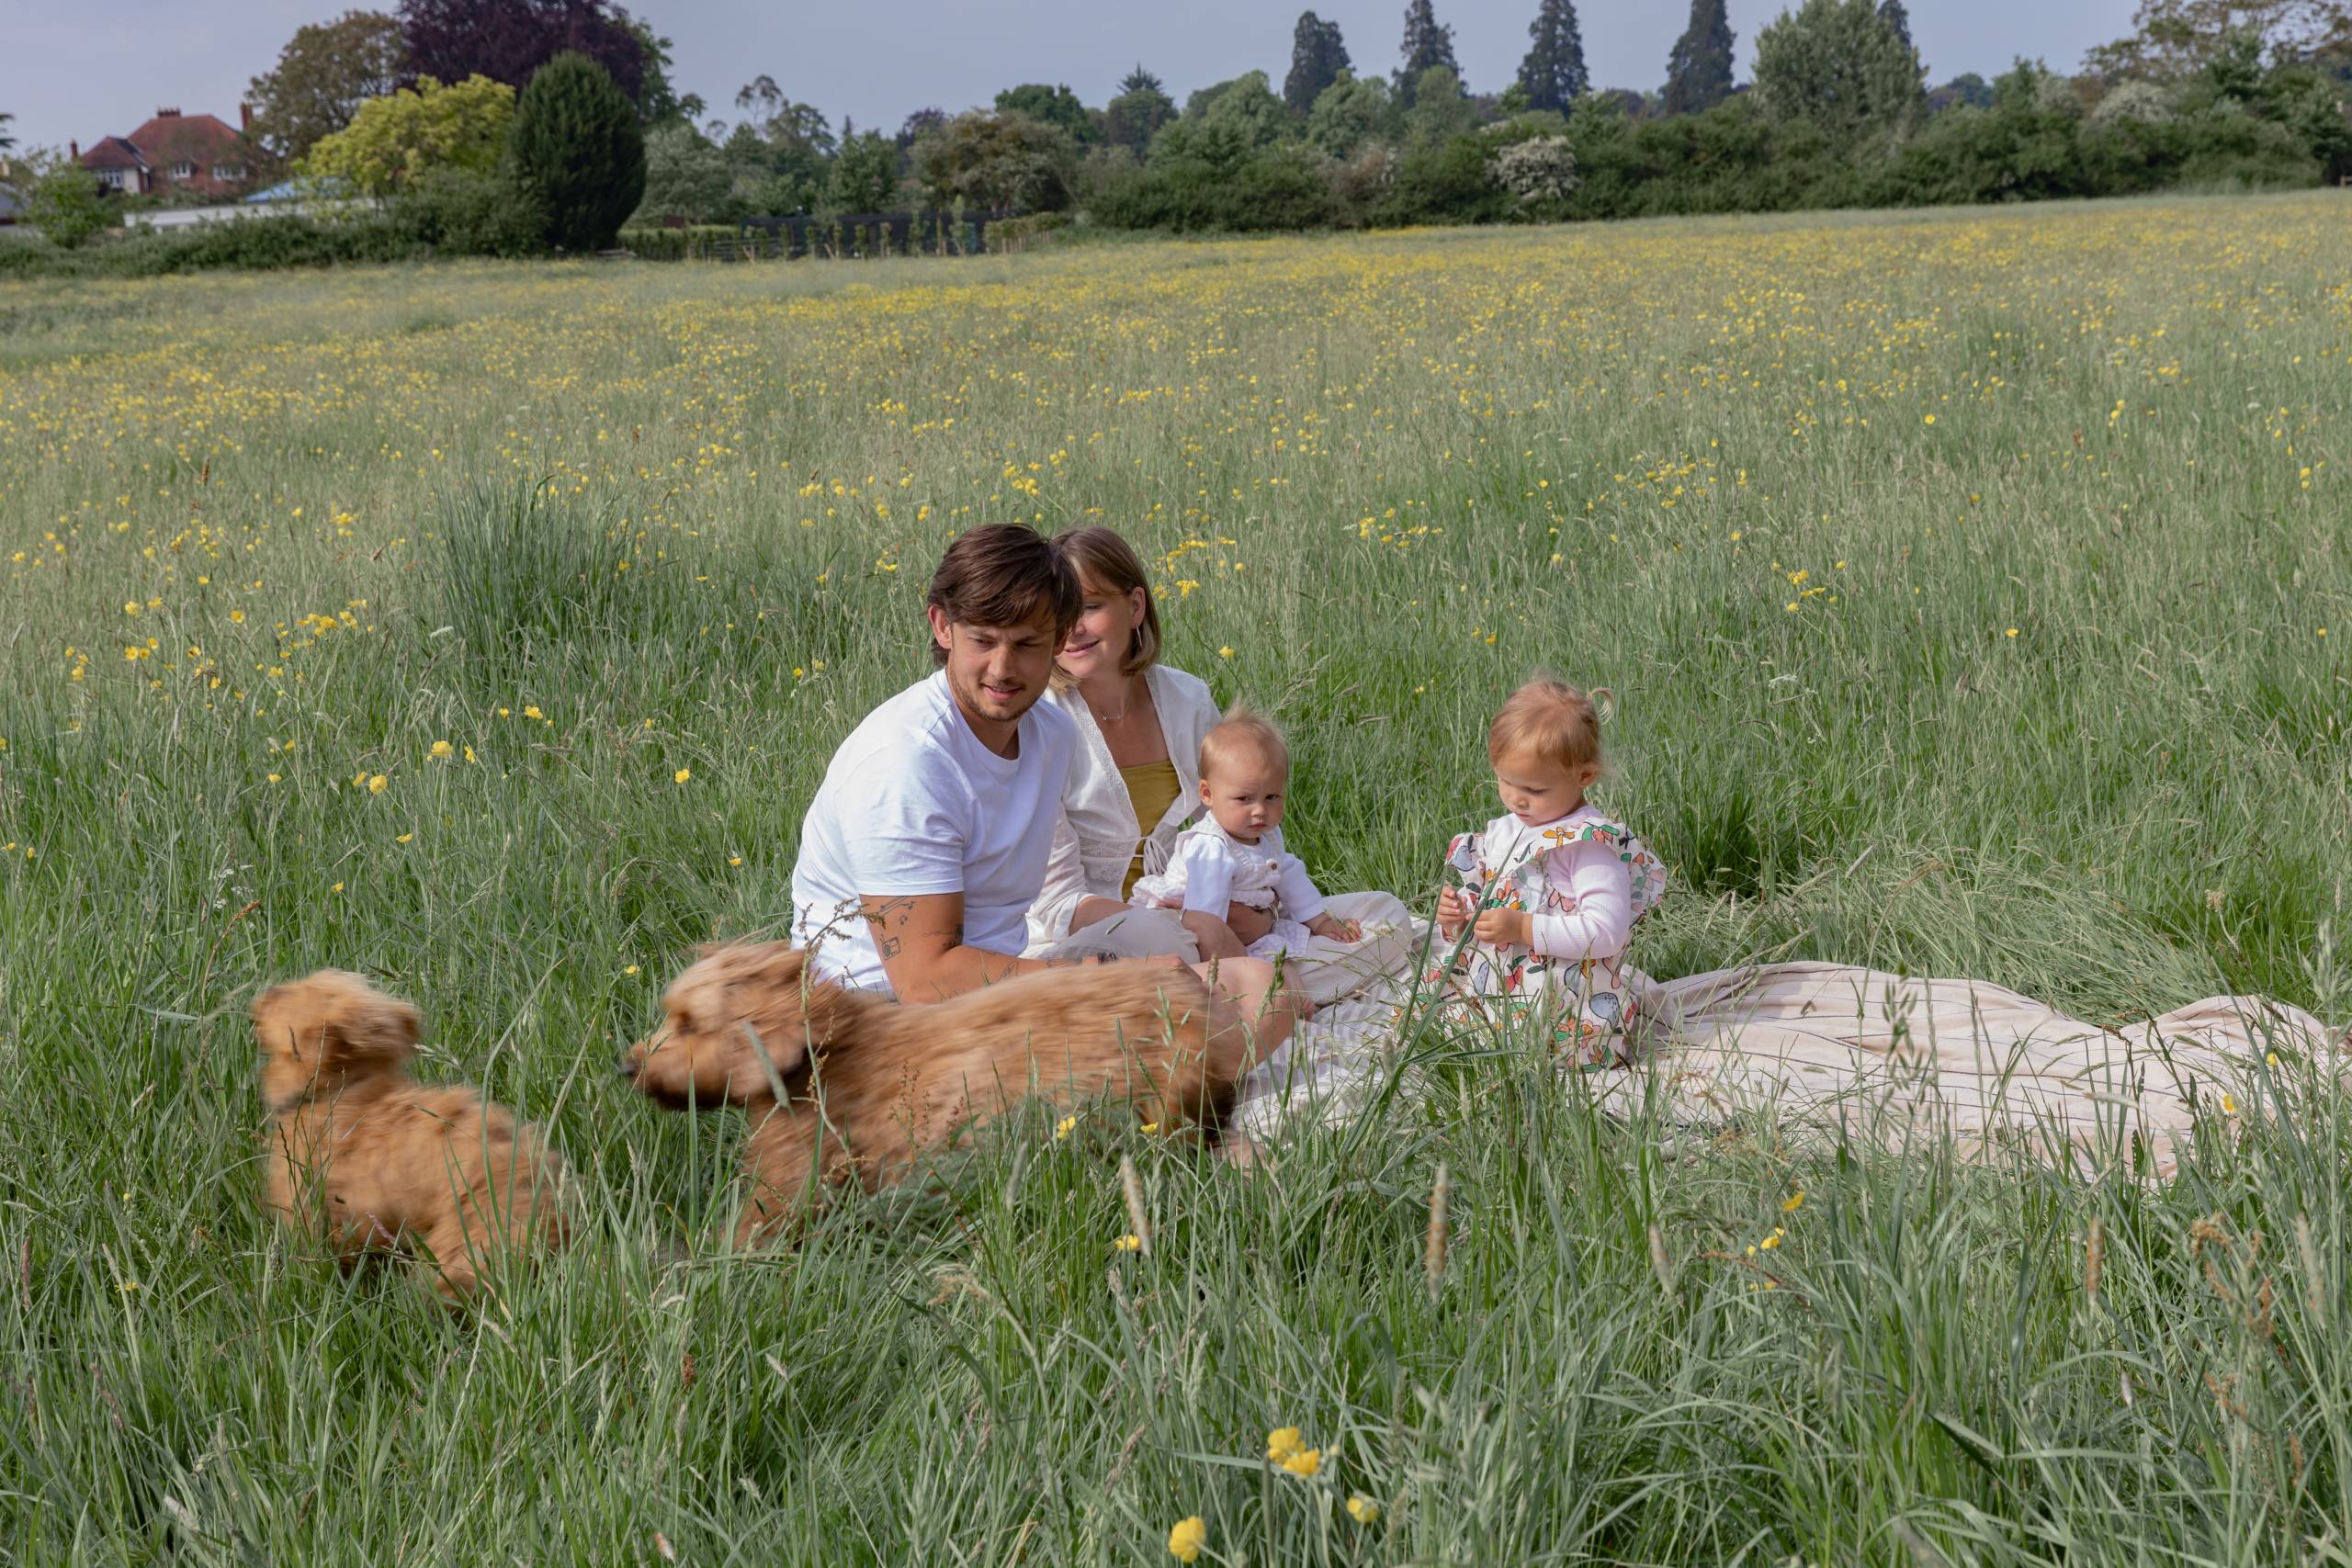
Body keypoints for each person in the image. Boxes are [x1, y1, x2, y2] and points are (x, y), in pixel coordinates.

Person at [787, 525, 1303, 1051]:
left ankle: (1171, 1063)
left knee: (1256, 985)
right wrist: (1106, 982)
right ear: (942, 627)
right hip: (880, 1021)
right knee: (1247, 994)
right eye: (983, 641)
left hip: (1005, 985)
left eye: (1027, 644)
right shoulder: (904, 762)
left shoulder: (1050, 735)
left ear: (1057, 641)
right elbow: (923, 983)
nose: (1003, 669)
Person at [1023, 525, 1263, 959]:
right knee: (1207, 959)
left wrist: (1264, 909)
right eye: (1056, 611)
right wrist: (1182, 924)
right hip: (1079, 936)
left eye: (1089, 606)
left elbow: (1244, 821)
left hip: (1189, 909)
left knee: (1380, 914)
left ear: (1135, 606)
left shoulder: (1187, 698)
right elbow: (1056, 903)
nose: (1071, 628)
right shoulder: (1037, 721)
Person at [1432, 679, 1668, 1066]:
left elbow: (1606, 932)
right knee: (1440, 1023)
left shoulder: (1587, 844)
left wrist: (1523, 928)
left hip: (1566, 1005)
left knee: (1544, 1048)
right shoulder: (1508, 830)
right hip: (1497, 991)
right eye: (1504, 780)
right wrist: (1459, 916)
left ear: (1584, 776)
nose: (1515, 798)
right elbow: (1500, 901)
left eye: (1535, 790)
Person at [1131, 707, 1364, 959]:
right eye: (1244, 799)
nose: (1260, 811)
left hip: (1250, 923)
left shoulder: (1267, 835)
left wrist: (1320, 922)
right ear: (1207, 794)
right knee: (1278, 970)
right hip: (1198, 936)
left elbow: (1288, 873)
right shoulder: (1211, 848)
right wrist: (1230, 966)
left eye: (1271, 797)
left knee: (1378, 911)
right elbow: (1206, 920)